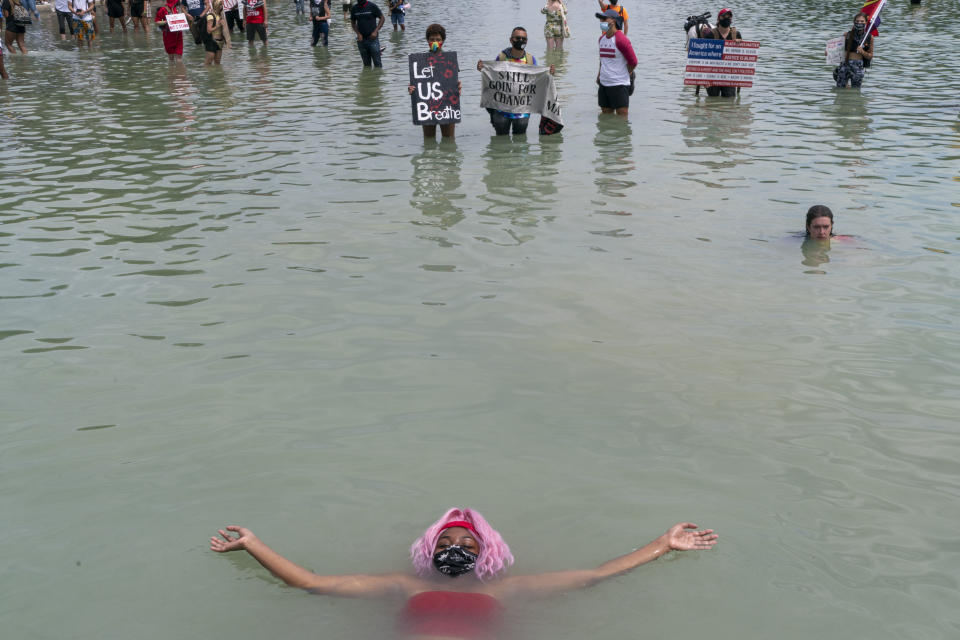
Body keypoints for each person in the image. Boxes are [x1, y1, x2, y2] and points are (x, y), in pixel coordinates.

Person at [210, 507, 718, 638]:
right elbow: (310, 583)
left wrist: (663, 544)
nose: (456, 547)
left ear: (485, 554)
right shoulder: (401, 585)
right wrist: (254, 544)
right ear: (429, 551)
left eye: (466, 542)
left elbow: (595, 574)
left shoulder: (509, 589)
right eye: (447, 542)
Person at [476, 27, 554, 136]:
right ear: (511, 40)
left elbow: (538, 81)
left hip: (522, 111)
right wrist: (482, 68)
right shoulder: (502, 57)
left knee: (521, 143)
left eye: (524, 39)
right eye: (518, 38)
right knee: (501, 141)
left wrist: (548, 73)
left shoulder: (530, 60)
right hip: (501, 110)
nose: (521, 41)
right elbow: (492, 77)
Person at [407, 23, 461, 141]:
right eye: (432, 39)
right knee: (429, 139)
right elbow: (418, 83)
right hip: (428, 105)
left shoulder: (450, 59)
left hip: (447, 104)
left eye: (438, 39)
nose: (435, 42)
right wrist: (412, 89)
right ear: (427, 40)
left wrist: (458, 87)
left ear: (443, 40)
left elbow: (453, 81)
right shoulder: (420, 61)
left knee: (448, 139)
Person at [595, 9, 636, 117]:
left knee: (621, 121)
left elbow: (633, 62)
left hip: (619, 85)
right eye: (600, 19)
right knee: (605, 118)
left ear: (613, 21)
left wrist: (625, 73)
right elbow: (602, 60)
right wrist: (599, 76)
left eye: (604, 18)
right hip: (604, 84)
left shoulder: (621, 39)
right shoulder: (601, 39)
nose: (601, 21)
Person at [702, 8, 742, 97]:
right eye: (724, 16)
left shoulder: (736, 34)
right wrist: (704, 78)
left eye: (729, 17)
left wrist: (740, 45)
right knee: (712, 99)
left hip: (729, 75)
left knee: (729, 100)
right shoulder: (710, 35)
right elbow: (703, 57)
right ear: (719, 18)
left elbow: (741, 58)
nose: (727, 19)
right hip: (712, 74)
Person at [835, 12, 874, 89]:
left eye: (862, 21)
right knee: (840, 90)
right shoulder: (847, 35)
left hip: (858, 67)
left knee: (856, 91)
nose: (859, 23)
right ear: (854, 22)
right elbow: (836, 49)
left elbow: (870, 56)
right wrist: (829, 52)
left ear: (866, 22)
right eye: (857, 21)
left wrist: (862, 51)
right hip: (844, 65)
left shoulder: (869, 37)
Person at [350, 0, 384, 68]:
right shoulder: (354, 8)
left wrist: (375, 31)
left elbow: (382, 18)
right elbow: (353, 23)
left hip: (373, 39)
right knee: (366, 65)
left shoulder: (372, 6)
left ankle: (378, 77)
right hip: (361, 40)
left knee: (377, 64)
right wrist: (358, 34)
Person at [203, 0, 229, 65]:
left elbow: (225, 30)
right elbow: (209, 30)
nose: (222, 7)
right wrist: (217, 26)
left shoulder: (221, 15)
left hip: (220, 41)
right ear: (216, 5)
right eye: (220, 5)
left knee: (217, 63)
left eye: (222, 5)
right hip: (212, 41)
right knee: (208, 63)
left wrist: (228, 42)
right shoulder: (211, 16)